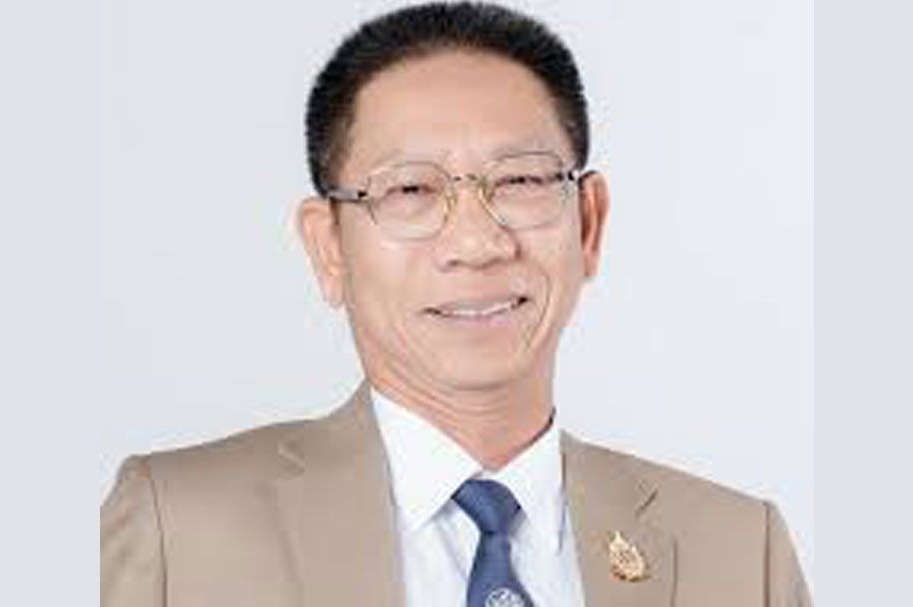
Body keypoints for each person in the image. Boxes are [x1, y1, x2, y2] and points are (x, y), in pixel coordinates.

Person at [100, 3, 812, 606]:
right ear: (328, 247)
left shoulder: (739, 553)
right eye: (411, 190)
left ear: (588, 225)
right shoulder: (179, 531)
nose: (476, 243)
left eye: (522, 180)